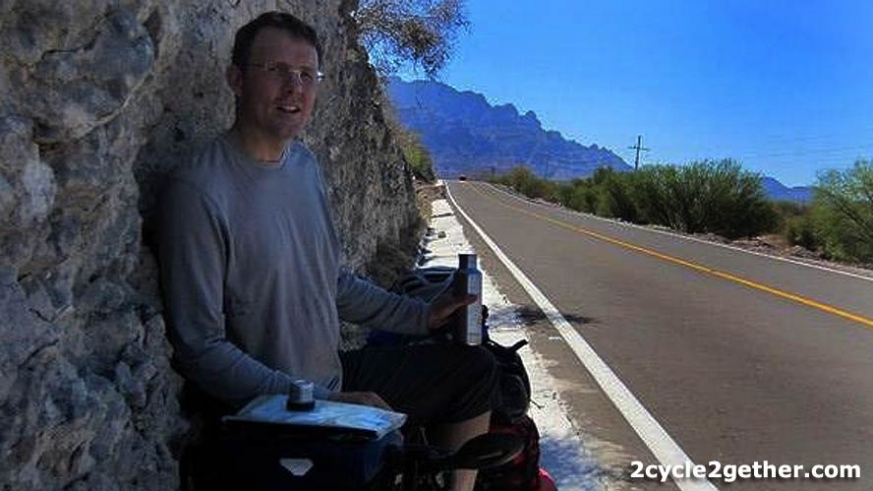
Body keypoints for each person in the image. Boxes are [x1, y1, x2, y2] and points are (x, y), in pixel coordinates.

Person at [158, 11, 497, 491]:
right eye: (276, 70)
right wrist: (318, 403)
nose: (293, 88)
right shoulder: (199, 189)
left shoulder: (303, 165)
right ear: (236, 79)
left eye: (306, 75)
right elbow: (200, 348)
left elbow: (332, 282)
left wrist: (423, 317)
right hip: (276, 413)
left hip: (331, 380)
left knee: (476, 371)